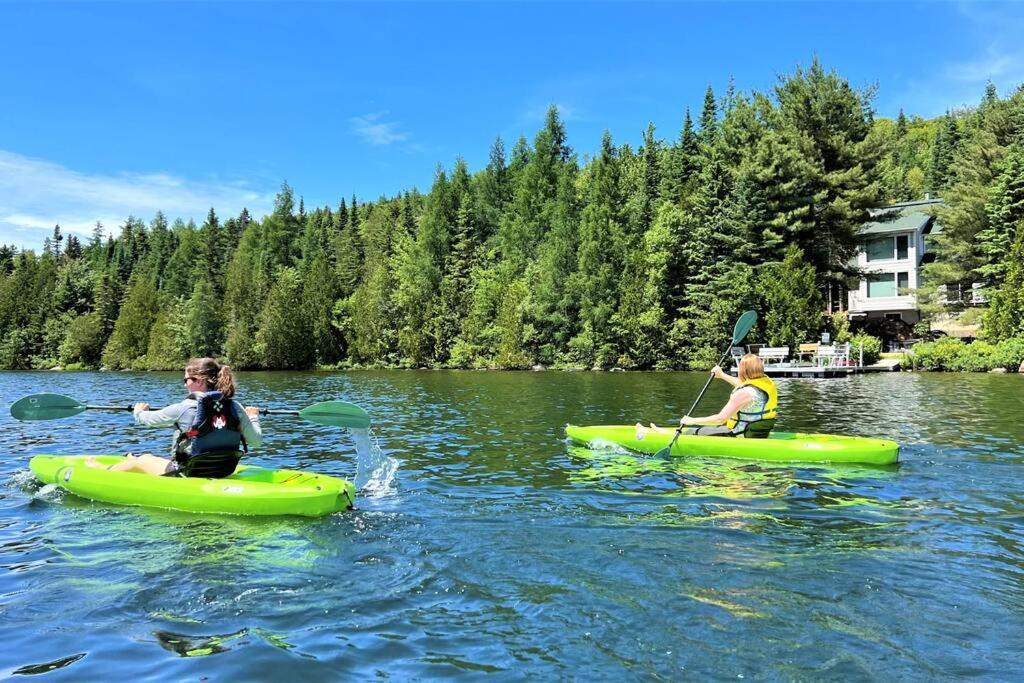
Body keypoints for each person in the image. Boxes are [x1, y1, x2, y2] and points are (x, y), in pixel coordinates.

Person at [86, 357, 262, 477]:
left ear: (200, 381)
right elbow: (256, 442)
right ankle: (133, 457)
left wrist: (139, 411)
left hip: (188, 472)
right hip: (224, 469)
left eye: (187, 380)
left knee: (144, 460)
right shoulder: (235, 407)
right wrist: (253, 417)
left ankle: (102, 470)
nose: (185, 384)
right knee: (145, 456)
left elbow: (147, 420)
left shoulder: (183, 408)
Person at [638, 353, 778, 439]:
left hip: (739, 434)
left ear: (743, 370)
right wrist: (722, 375)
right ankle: (662, 431)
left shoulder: (742, 394)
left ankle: (653, 435)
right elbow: (742, 384)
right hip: (757, 433)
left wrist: (691, 420)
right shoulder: (762, 384)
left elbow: (720, 419)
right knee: (702, 429)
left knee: (693, 431)